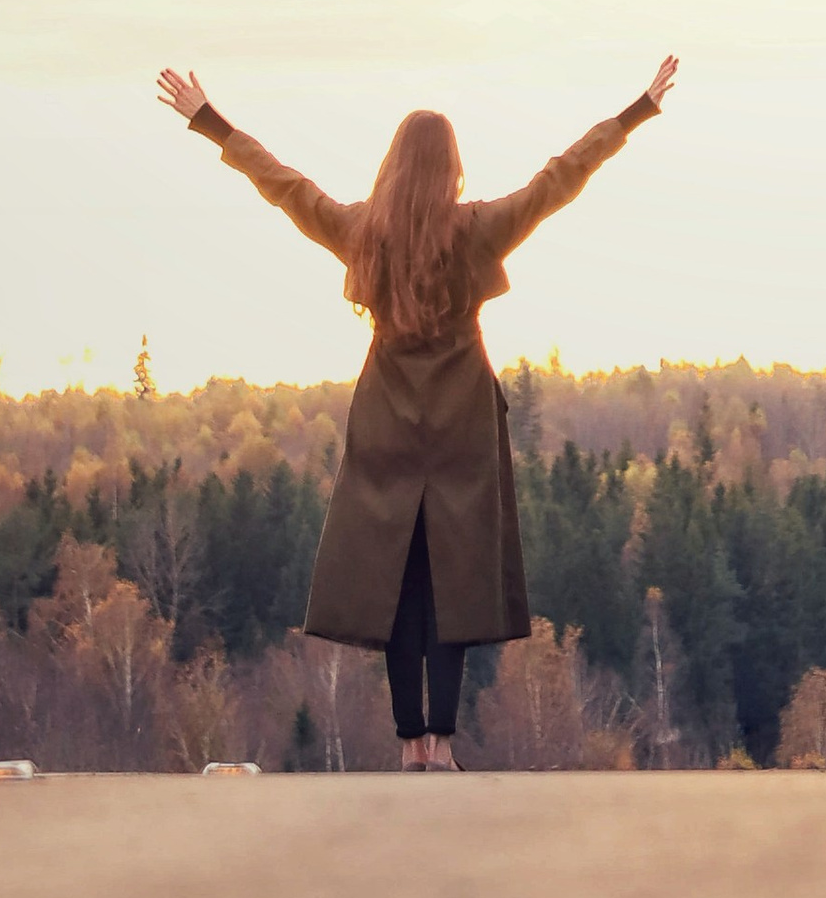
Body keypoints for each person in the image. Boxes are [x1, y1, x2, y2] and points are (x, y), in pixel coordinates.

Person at [156, 52, 677, 770]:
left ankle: (409, 746)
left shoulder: (362, 230)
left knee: (396, 583)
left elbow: (283, 185)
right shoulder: (477, 229)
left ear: (394, 166)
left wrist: (208, 120)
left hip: (388, 420)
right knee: (453, 582)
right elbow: (560, 180)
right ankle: (441, 742)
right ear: (451, 169)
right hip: (461, 420)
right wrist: (635, 111)